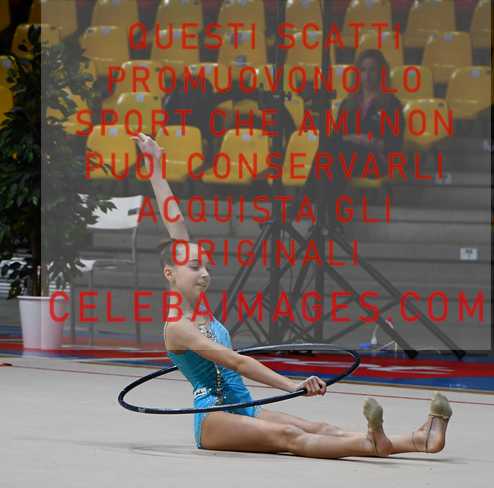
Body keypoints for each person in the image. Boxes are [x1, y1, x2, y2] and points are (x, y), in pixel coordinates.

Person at [133, 132, 452, 458]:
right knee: (290, 436)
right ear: (170, 274)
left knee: (320, 428)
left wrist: (156, 167)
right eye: (195, 267)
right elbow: (235, 361)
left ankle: (419, 439)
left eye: (205, 266)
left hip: (245, 406)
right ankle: (371, 443)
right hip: (214, 416)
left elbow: (176, 222)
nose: (204, 273)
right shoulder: (178, 327)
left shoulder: (200, 308)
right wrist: (292, 385)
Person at [331, 48, 405, 193]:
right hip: (347, 157)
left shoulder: (391, 104)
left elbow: (395, 145)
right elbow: (336, 136)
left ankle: (307, 201)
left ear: (381, 73)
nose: (367, 76)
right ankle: (325, 204)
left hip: (376, 161)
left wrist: (371, 142)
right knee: (329, 151)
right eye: (363, 70)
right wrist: (358, 139)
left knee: (337, 155)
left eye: (372, 70)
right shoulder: (348, 103)